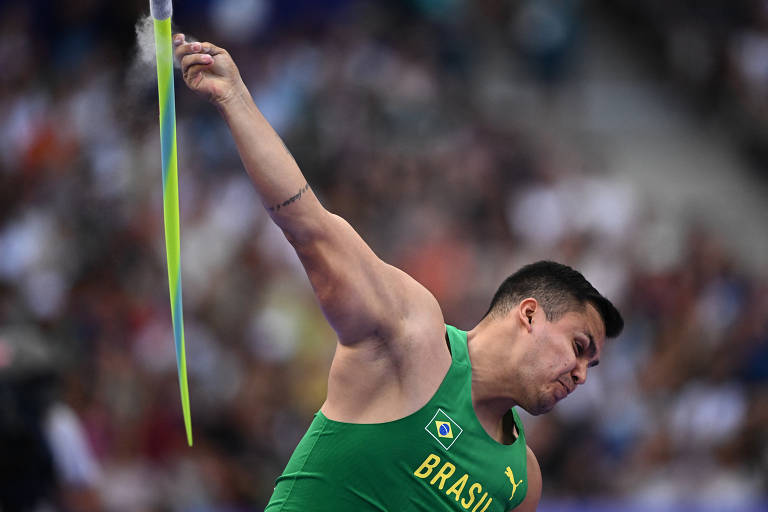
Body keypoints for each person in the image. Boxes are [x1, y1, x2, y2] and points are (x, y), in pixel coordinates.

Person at [173, 34, 623, 512]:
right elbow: (310, 227)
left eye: (589, 366)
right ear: (529, 314)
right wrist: (235, 97)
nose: (580, 376)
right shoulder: (412, 336)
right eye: (578, 348)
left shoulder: (519, 483)